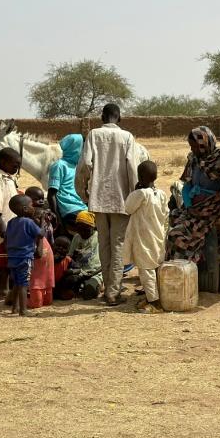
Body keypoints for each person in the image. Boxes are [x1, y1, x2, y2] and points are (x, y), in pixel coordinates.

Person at [75, 104, 145, 306]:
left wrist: (84, 193)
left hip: (98, 198)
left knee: (104, 245)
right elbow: (132, 168)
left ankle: (109, 287)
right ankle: (113, 292)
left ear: (102, 116)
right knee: (118, 246)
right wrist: (133, 195)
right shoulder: (127, 137)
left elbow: (85, 165)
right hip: (121, 198)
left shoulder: (93, 135)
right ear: (119, 117)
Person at [165, 126, 220, 262]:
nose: (192, 150)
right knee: (173, 218)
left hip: (211, 210)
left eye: (195, 146)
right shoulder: (193, 160)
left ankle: (182, 266)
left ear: (204, 144)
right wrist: (189, 206)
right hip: (193, 210)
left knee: (176, 235)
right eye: (191, 146)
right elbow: (187, 186)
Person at [123, 160, 169, 314]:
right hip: (157, 236)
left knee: (146, 270)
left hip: (143, 239)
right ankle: (154, 297)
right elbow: (166, 214)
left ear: (140, 177)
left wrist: (136, 190)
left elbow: (128, 208)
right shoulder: (161, 194)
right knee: (155, 268)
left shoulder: (140, 194)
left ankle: (154, 304)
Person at [0, 148, 21, 300]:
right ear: (4, 163)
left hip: (10, 223)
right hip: (1, 222)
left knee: (8, 258)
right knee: (2, 260)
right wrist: (0, 221)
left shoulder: (8, 178)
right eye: (15, 165)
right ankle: (0, 290)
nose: (17, 169)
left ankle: (5, 289)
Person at [4, 195, 44, 316]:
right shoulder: (28, 222)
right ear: (25, 209)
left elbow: (6, 238)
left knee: (16, 283)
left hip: (12, 258)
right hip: (25, 258)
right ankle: (23, 310)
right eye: (32, 205)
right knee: (23, 284)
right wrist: (42, 222)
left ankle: (14, 308)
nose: (34, 208)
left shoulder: (11, 222)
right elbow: (41, 234)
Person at [48, 134, 88, 228]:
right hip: (69, 209)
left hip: (81, 206)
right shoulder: (59, 165)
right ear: (75, 148)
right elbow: (51, 194)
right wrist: (57, 217)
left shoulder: (76, 166)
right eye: (83, 148)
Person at [24, 187, 55, 309]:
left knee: (36, 276)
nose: (41, 201)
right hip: (46, 247)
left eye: (42, 199)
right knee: (44, 276)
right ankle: (46, 299)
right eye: (37, 199)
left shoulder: (37, 214)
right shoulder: (38, 213)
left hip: (40, 247)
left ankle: (35, 302)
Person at [67, 211, 104, 301]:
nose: (82, 232)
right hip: (79, 272)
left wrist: (92, 274)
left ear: (92, 227)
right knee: (66, 283)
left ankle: (98, 286)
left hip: (95, 273)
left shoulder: (99, 237)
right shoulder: (76, 237)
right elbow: (70, 257)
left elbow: (106, 262)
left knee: (88, 293)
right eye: (79, 229)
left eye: (86, 229)